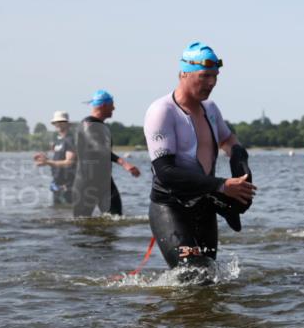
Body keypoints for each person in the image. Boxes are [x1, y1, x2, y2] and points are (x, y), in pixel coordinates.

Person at [143, 42, 256, 275]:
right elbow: (166, 172)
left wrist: (240, 168)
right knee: (192, 274)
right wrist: (222, 185)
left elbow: (230, 141)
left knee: (209, 277)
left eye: (215, 76)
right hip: (170, 206)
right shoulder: (162, 111)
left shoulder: (210, 109)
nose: (212, 83)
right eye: (205, 76)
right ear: (184, 73)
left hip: (204, 205)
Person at [72, 90, 140, 217]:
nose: (114, 108)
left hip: (105, 182)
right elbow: (98, 148)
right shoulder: (87, 124)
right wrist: (124, 163)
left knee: (116, 219)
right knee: (81, 227)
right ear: (103, 105)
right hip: (87, 183)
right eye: (112, 105)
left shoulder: (101, 126)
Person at [33, 111, 76, 205]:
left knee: (68, 215)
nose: (59, 124)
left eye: (62, 121)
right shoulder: (57, 140)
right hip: (57, 184)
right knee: (57, 213)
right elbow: (56, 158)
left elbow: (69, 162)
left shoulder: (70, 140)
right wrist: (43, 158)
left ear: (68, 124)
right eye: (57, 122)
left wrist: (47, 162)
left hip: (68, 185)